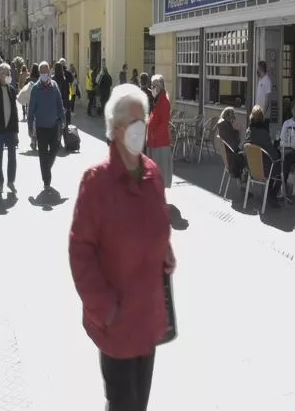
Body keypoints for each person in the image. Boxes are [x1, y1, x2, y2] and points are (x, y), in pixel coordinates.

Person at [69, 83, 176, 411]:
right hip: (116, 324)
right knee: (122, 403)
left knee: (138, 402)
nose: (140, 128)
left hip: (148, 318)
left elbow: (159, 225)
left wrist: (166, 250)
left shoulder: (153, 174)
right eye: (133, 122)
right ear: (115, 129)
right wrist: (105, 308)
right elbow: (80, 252)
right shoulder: (96, 181)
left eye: (143, 120)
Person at [27, 61, 65, 192]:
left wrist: (63, 119)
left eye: (46, 72)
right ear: (39, 73)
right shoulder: (35, 89)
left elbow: (59, 103)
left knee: (54, 151)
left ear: (50, 72)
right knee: (43, 155)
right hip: (41, 128)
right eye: (41, 72)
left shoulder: (54, 86)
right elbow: (30, 110)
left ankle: (46, 168)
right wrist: (29, 127)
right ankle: (46, 181)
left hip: (54, 126)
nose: (44, 74)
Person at [0, 63, 19, 193]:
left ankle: (11, 181)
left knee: (12, 157)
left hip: (11, 129)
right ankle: (0, 182)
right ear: (0, 75)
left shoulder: (12, 90)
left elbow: (15, 111)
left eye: (9, 73)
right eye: (6, 74)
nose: (8, 76)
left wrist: (16, 130)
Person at [244, 105, 281, 206]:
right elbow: (273, 154)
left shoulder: (248, 131)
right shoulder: (264, 133)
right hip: (265, 170)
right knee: (279, 174)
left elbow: (245, 149)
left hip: (251, 169)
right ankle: (272, 196)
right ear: (262, 118)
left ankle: (267, 194)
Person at [147, 74, 173, 191]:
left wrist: (151, 126)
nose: (152, 88)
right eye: (152, 85)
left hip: (159, 140)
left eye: (155, 85)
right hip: (154, 139)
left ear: (161, 86)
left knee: (160, 167)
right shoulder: (158, 99)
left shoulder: (164, 100)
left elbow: (161, 121)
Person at [217, 106, 246, 182]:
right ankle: (244, 184)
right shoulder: (230, 131)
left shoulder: (222, 127)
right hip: (233, 159)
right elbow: (238, 145)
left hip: (228, 158)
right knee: (248, 159)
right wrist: (240, 130)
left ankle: (242, 183)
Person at [255, 61, 273, 128]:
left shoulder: (267, 81)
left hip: (264, 115)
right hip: (258, 114)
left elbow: (267, 99)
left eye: (258, 69)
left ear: (260, 69)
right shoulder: (260, 80)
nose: (257, 71)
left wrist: (263, 114)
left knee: (263, 133)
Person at [54, 62, 72, 126]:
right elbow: (67, 94)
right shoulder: (65, 80)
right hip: (63, 105)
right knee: (64, 126)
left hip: (54, 106)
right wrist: (67, 106)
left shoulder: (52, 80)